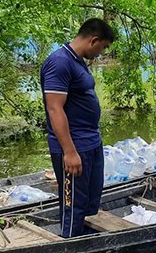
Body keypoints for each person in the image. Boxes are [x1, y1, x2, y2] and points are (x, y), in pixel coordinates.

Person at [41, 18, 116, 237]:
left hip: (90, 141)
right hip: (75, 146)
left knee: (90, 202)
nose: (101, 53)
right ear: (93, 40)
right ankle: (70, 246)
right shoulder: (59, 62)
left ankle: (83, 239)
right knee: (74, 204)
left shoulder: (76, 60)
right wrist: (70, 152)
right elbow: (55, 109)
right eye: (103, 48)